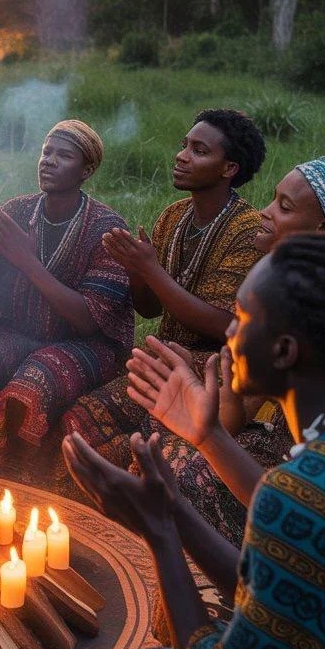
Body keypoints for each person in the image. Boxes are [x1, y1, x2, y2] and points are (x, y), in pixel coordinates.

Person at [62, 233, 325, 649]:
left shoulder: (303, 491)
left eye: (242, 317)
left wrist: (158, 532)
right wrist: (189, 469)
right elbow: (269, 584)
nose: (228, 332)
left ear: (283, 350)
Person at [130, 155, 325, 548]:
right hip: (283, 448)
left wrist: (210, 429)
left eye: (284, 207)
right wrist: (214, 400)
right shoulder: (276, 278)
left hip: (293, 460)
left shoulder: (320, 307)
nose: (265, 212)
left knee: (184, 476)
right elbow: (236, 412)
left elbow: (300, 507)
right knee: (159, 452)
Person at [60, 108, 266, 469]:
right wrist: (137, 272)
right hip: (163, 361)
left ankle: (129, 508)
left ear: (229, 168)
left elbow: (221, 324)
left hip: (215, 375)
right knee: (79, 422)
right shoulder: (173, 217)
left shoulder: (246, 232)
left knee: (134, 452)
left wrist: (150, 269)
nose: (182, 156)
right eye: (184, 145)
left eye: (199, 151)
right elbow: (150, 310)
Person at [0, 120, 133, 467]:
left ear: (86, 170)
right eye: (46, 152)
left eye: (64, 156)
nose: (49, 161)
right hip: (15, 333)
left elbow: (88, 320)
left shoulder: (106, 229)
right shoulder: (15, 214)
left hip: (86, 346)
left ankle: (24, 471)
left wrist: (27, 262)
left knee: (35, 381)